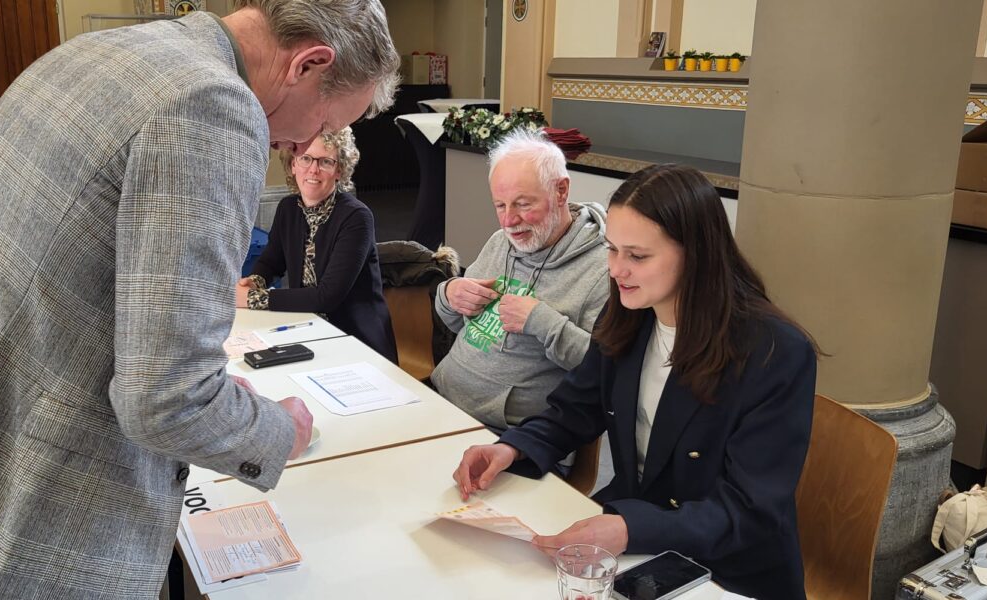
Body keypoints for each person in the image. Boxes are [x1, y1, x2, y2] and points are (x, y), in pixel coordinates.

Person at [0, 2, 400, 598]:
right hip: (10, 517)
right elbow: (166, 401)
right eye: (322, 122)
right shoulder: (215, 106)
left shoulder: (105, 52)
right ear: (309, 63)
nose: (301, 146)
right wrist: (276, 431)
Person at [451, 163, 819, 599]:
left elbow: (749, 511)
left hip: (724, 570)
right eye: (611, 250)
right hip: (632, 541)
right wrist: (510, 448)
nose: (616, 270)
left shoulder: (774, 351)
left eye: (637, 256)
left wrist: (629, 529)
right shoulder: (630, 312)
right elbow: (575, 409)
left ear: (696, 254)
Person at [431, 127, 610, 430]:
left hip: (510, 433)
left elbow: (606, 370)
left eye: (523, 204)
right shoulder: (501, 241)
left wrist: (542, 322)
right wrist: (449, 295)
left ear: (561, 191)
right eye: (500, 205)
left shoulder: (601, 270)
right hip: (440, 399)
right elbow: (459, 324)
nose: (509, 221)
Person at [236, 127, 398, 362]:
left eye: (325, 162)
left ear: (339, 170)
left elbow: (327, 296)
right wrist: (255, 281)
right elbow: (272, 262)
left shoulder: (356, 217)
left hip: (357, 342)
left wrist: (250, 299)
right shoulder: (288, 208)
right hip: (308, 329)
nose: (313, 169)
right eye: (306, 158)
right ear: (293, 164)